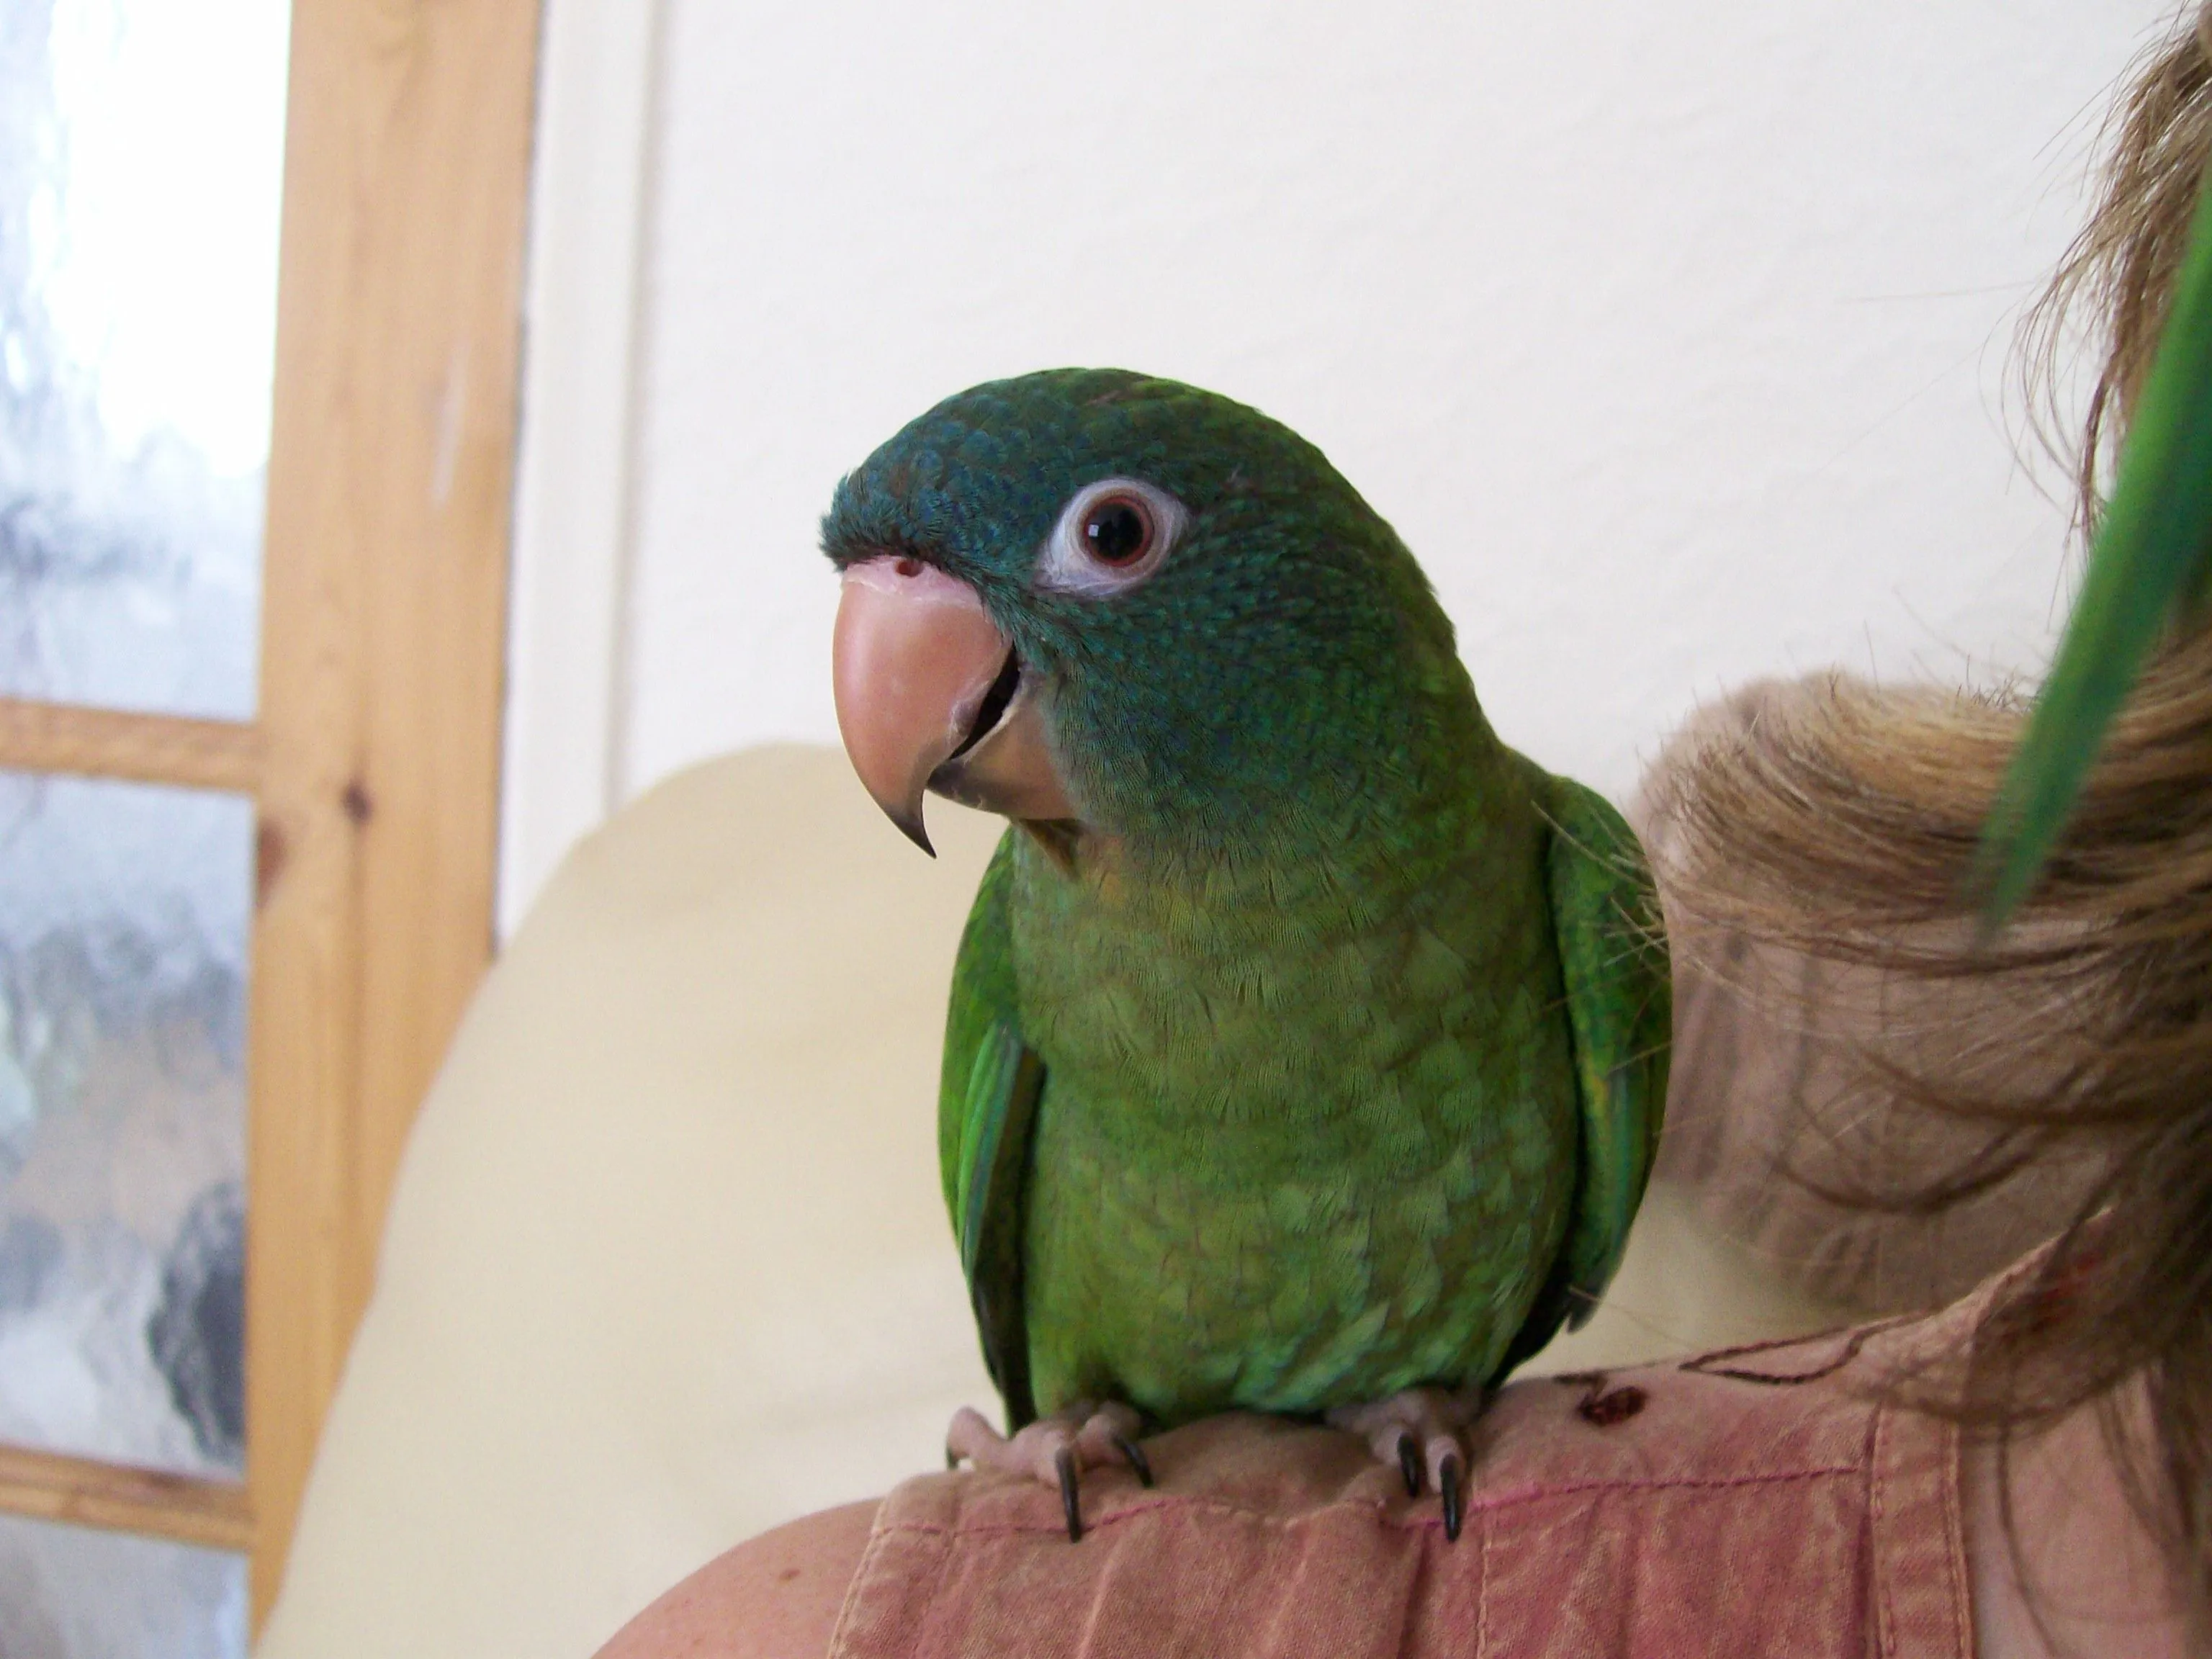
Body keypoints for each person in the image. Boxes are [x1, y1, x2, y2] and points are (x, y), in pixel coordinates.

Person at [596, 12, 2212, 1655]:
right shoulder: (1024, 934)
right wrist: (1052, 1444)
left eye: (1112, 536)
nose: (907, 639)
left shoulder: (1572, 891)